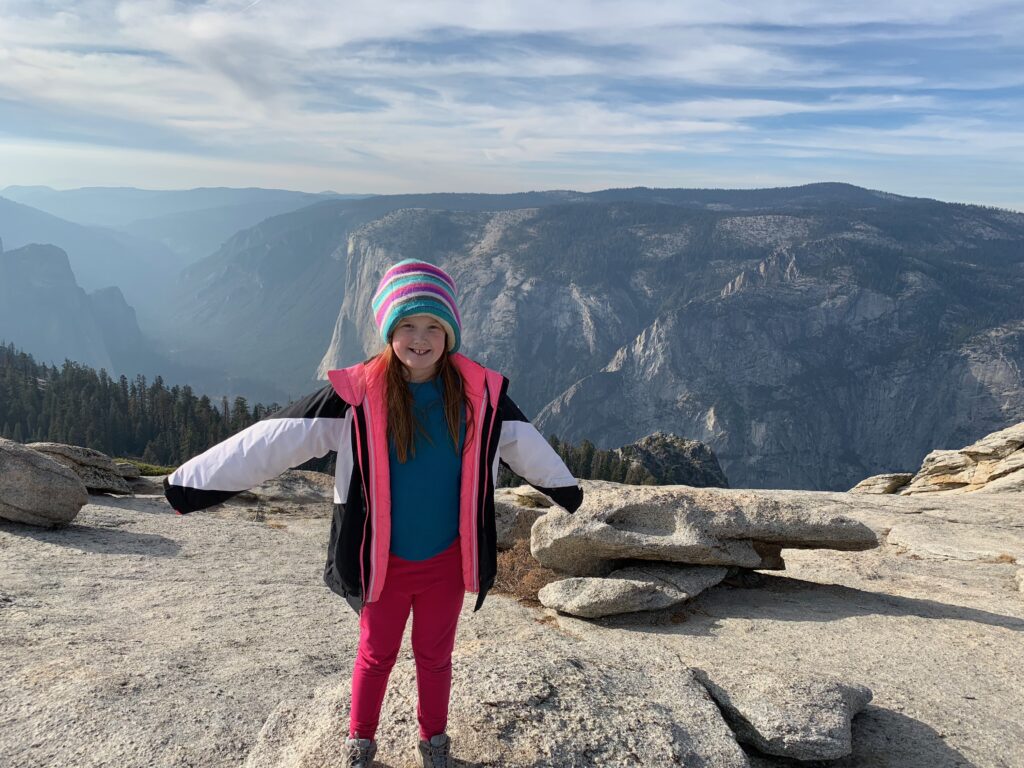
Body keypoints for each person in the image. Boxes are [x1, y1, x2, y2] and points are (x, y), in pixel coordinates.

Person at [163, 259, 584, 768]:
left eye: (433, 326)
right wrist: (191, 484)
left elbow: (526, 445)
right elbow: (273, 440)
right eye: (406, 325)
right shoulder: (355, 398)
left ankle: (434, 742)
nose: (420, 338)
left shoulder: (480, 397)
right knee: (376, 654)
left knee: (435, 658)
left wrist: (566, 491)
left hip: (447, 563)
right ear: (388, 331)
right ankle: (360, 741)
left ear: (450, 333)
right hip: (380, 564)